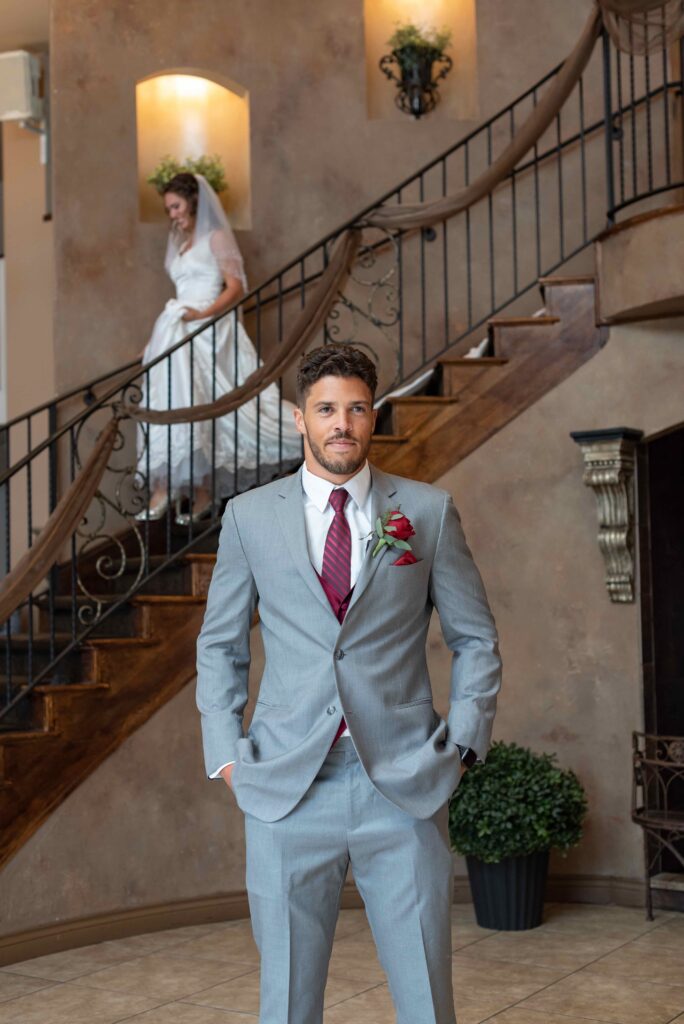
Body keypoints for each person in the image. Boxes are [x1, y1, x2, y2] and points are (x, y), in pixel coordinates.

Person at [196, 343, 502, 1024]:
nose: (343, 423)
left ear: (373, 416)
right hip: (284, 787)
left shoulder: (426, 512)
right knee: (287, 1002)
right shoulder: (249, 518)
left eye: (357, 408)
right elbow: (220, 646)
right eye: (327, 408)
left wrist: (464, 743)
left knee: (427, 999)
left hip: (404, 786)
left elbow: (475, 638)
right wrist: (225, 753)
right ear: (300, 419)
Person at [135, 172, 301, 525]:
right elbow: (181, 293)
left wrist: (202, 314)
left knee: (205, 404)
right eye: (168, 209)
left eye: (176, 206)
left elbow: (235, 287)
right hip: (176, 328)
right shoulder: (180, 242)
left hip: (206, 324)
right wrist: (153, 343)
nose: (172, 214)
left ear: (193, 201)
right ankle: (167, 488)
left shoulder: (217, 237)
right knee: (174, 401)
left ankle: (202, 492)